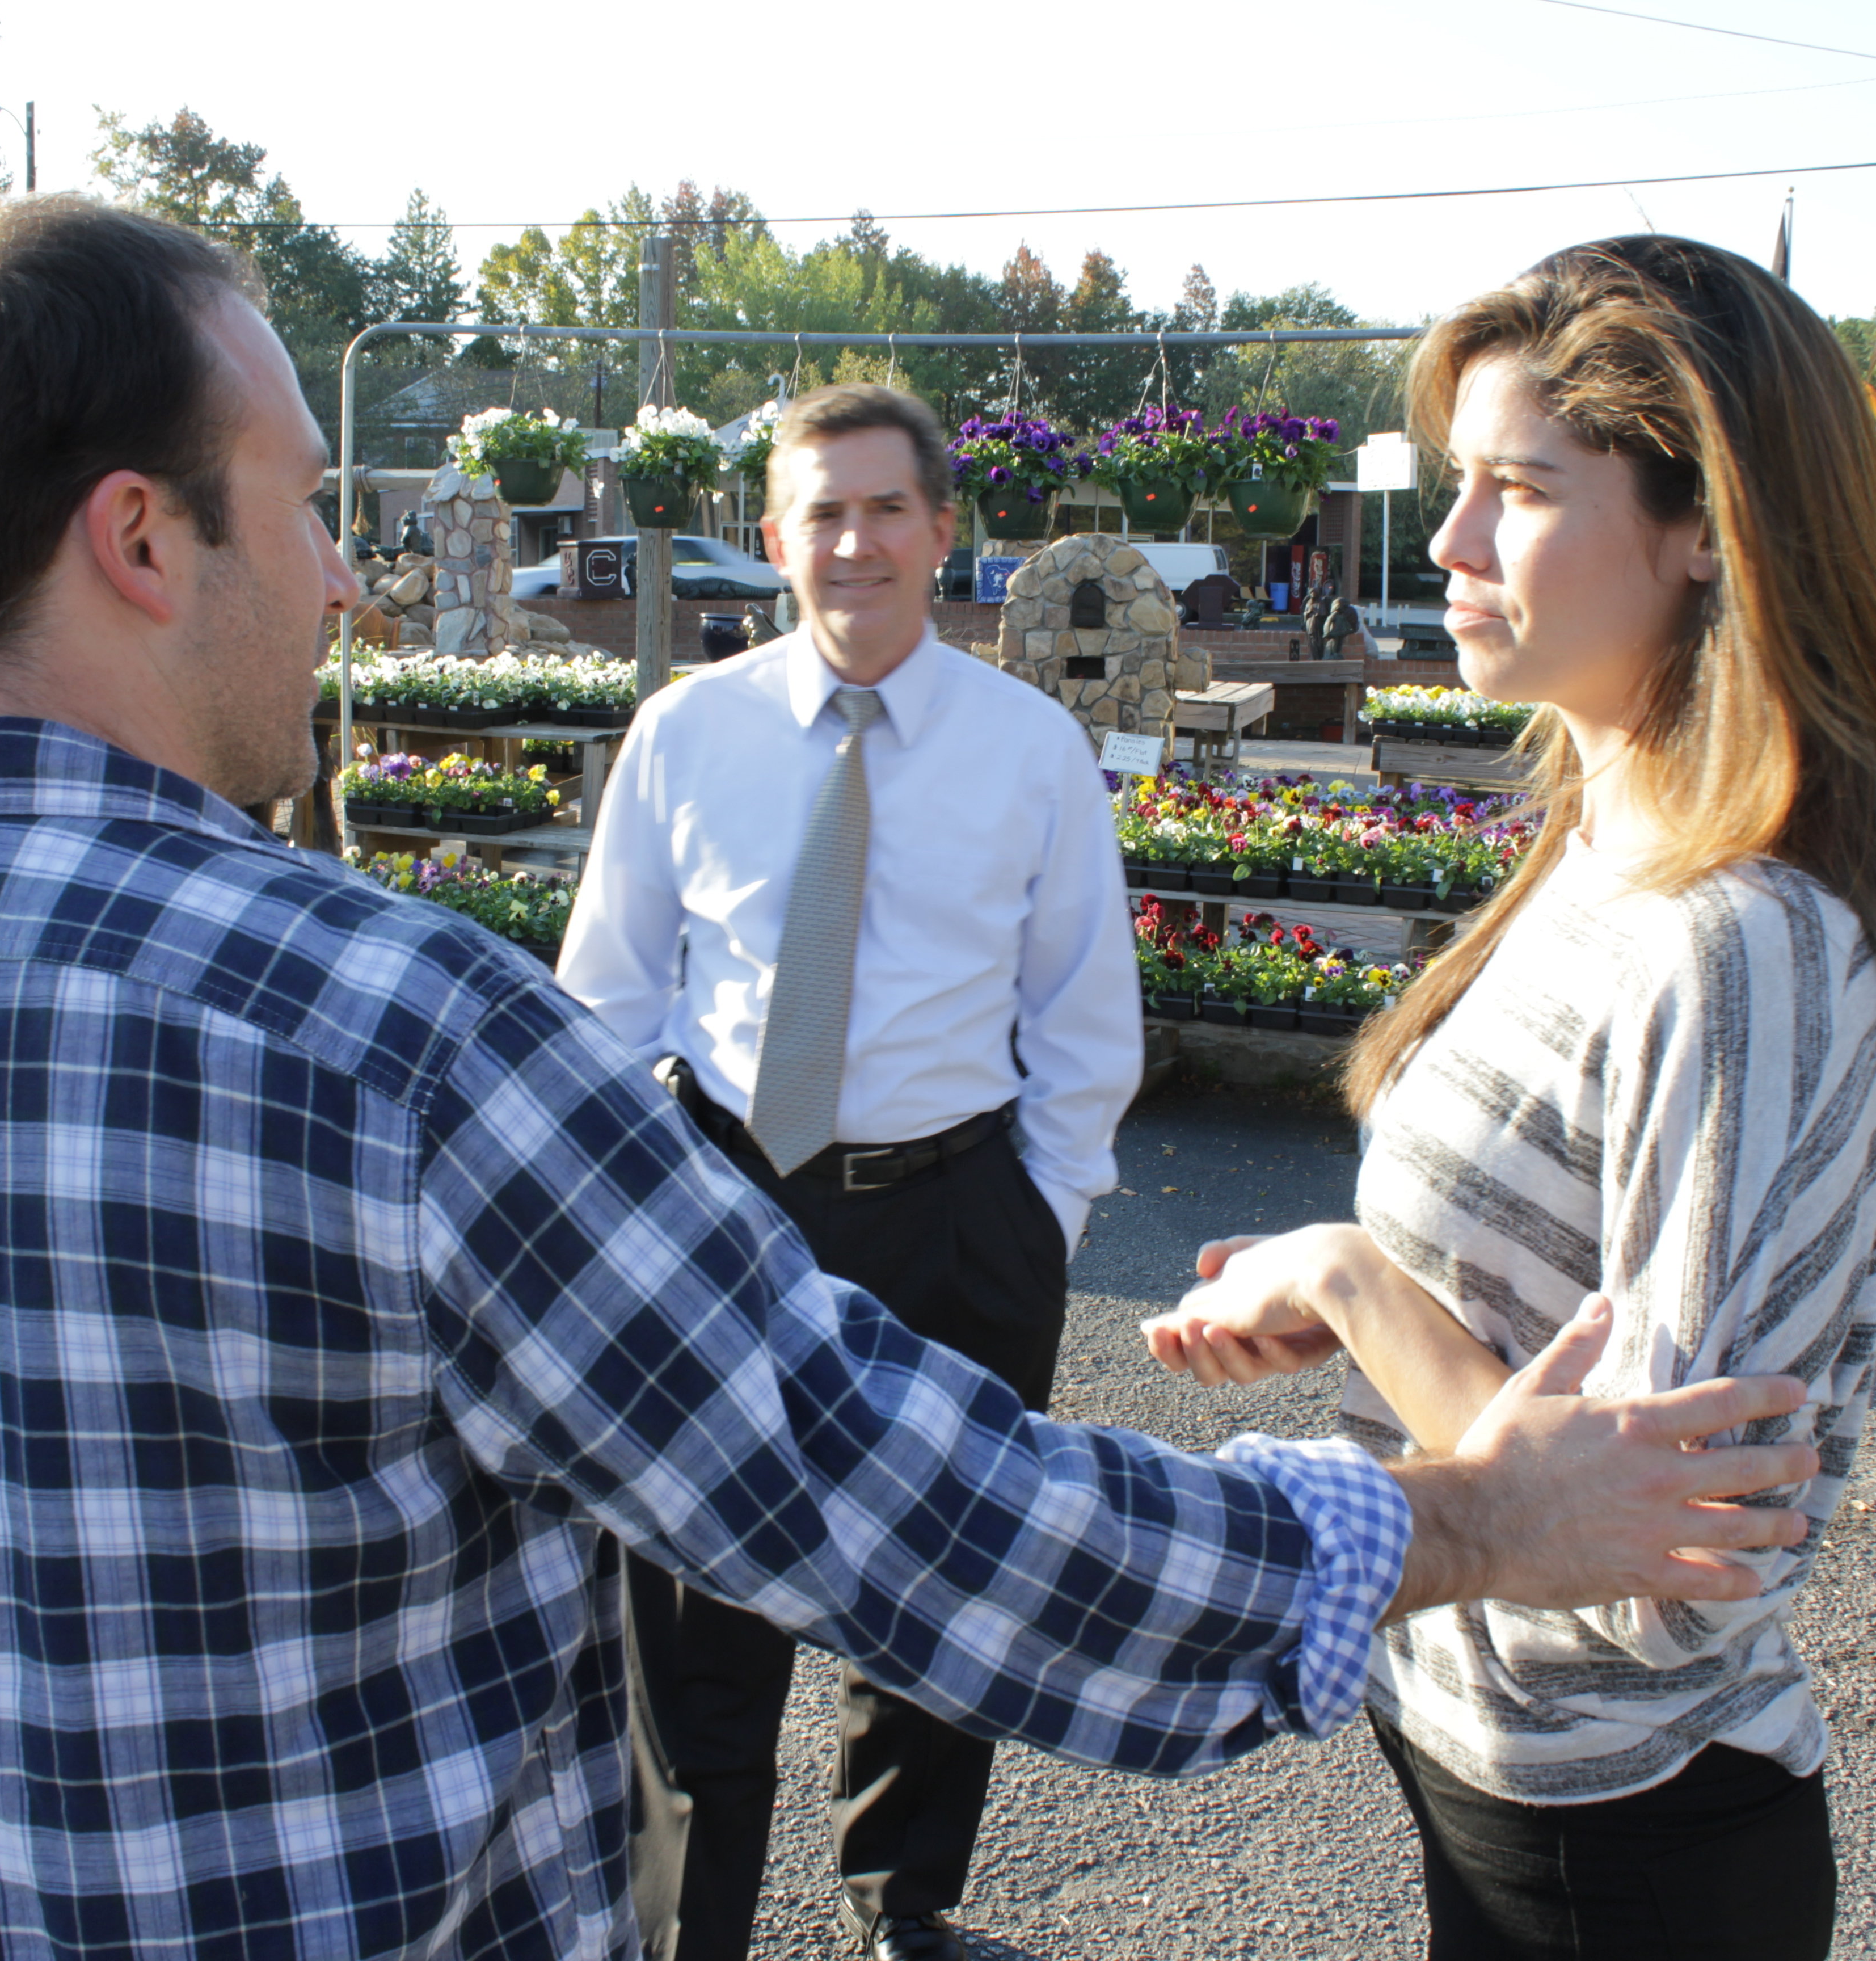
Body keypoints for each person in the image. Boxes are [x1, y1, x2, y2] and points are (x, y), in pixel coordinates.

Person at [0, 198, 1827, 1959]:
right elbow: (926, 1525)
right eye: (304, 503)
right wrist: (1465, 1523)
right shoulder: (384, 1043)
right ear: (137, 539)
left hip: (940, 1202)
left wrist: (1037, 1197)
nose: (340, 582)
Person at [1143, 235, 1876, 1961]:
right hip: (1493, 1776)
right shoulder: (1599, 852)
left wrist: (1356, 1285)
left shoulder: (1740, 949)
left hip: (1632, 1852)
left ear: (1704, 533)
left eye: (1519, 490)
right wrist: (1355, 1316)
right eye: (1463, 487)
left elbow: (1673, 1563)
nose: (1448, 548)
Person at [557, 382, 1128, 1960]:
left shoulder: (1032, 751)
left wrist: (1037, 1219)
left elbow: (1083, 1015)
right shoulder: (688, 734)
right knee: (696, 1614)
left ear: (946, 534)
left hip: (956, 1220)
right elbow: (605, 1003)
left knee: (942, 1594)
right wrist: (630, 1230)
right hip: (728, 1212)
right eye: (822, 510)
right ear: (770, 538)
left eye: (887, 508)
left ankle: (909, 1911)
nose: (854, 540)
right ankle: (694, 1931)